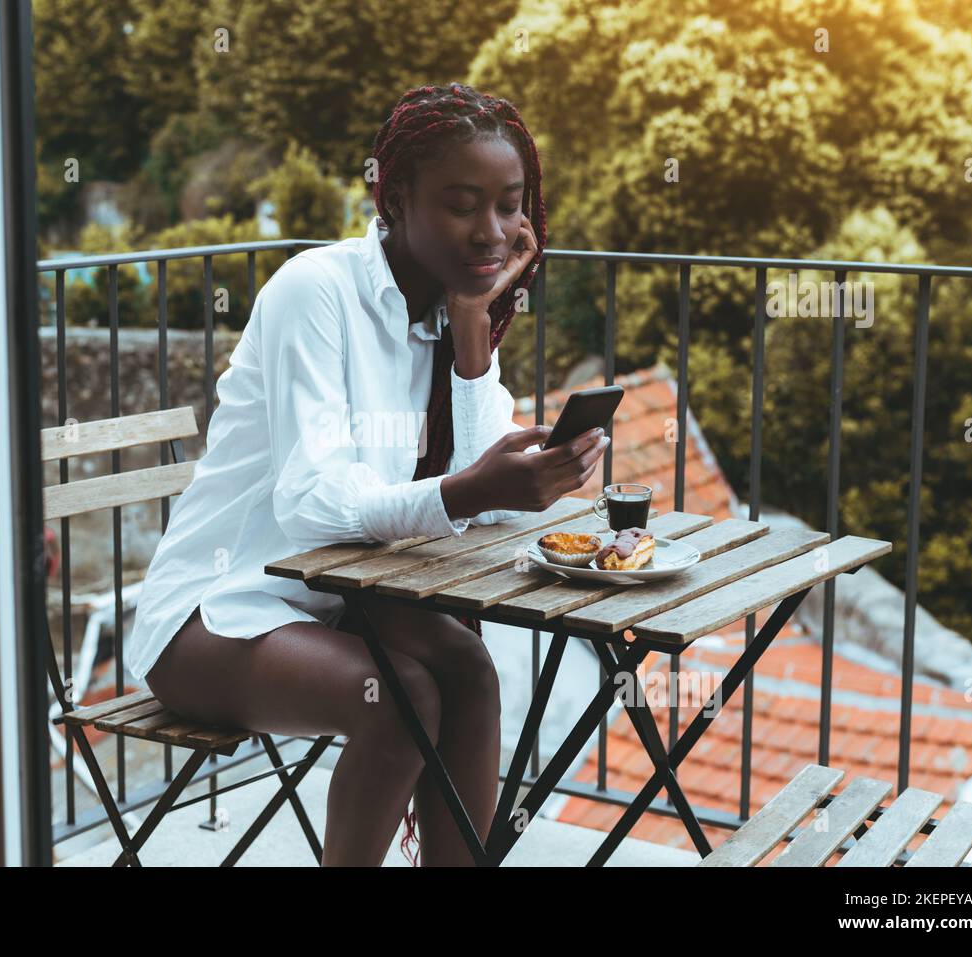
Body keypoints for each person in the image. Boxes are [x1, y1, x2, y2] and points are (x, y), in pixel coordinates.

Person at [126, 82, 609, 866]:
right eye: (462, 203)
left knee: (472, 674)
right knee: (403, 699)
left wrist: (472, 329)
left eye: (509, 204)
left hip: (339, 601)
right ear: (393, 196)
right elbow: (316, 503)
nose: (492, 231)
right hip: (215, 613)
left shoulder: (444, 308)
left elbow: (483, 500)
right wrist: (475, 489)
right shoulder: (314, 293)